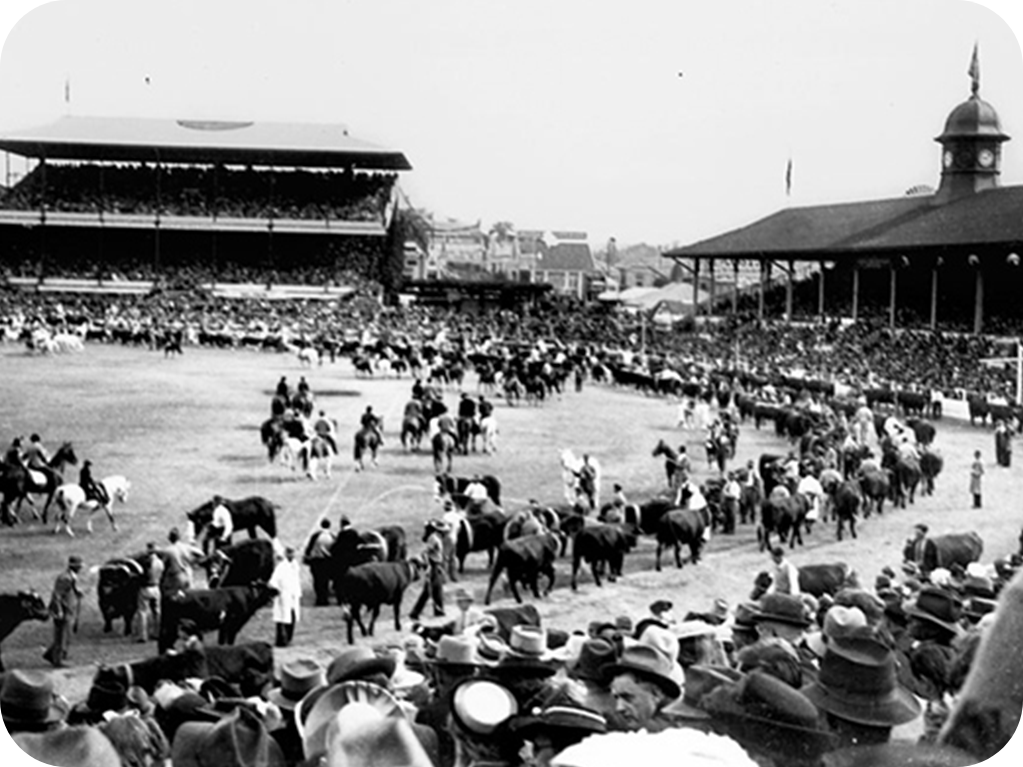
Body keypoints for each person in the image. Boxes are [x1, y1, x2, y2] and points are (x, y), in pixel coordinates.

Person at [604, 644, 682, 732]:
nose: (619, 707)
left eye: (628, 698)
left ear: (657, 693)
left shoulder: (671, 735)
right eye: (616, 698)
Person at [44, 554, 84, 667]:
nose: (80, 569)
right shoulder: (65, 578)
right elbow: (57, 595)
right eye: (79, 566)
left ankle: (52, 654)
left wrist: (76, 592)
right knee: (62, 636)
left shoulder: (71, 577)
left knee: (66, 635)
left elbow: (69, 590)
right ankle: (58, 660)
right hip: (64, 611)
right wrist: (59, 611)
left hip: (69, 610)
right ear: (74, 567)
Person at [410, 519, 447, 621]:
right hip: (433, 565)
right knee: (428, 590)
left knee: (437, 588)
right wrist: (428, 566)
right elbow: (426, 552)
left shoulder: (436, 538)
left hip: (437, 565)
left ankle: (439, 610)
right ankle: (415, 612)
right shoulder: (434, 539)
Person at [268, 546, 301, 647]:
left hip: (293, 595)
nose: (292, 555)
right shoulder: (281, 567)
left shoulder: (295, 565)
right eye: (289, 553)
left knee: (292, 618)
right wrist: (278, 591)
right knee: (282, 619)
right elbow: (272, 581)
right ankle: (281, 641)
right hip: (284, 596)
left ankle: (289, 639)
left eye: (293, 553)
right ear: (286, 554)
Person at [161, 526, 204, 598]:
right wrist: (195, 562)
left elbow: (163, 565)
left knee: (175, 597)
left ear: (170, 538)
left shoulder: (168, 550)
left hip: (176, 577)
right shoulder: (186, 547)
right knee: (190, 596)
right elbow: (200, 553)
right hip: (188, 574)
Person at [134, 541, 164, 643]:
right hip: (156, 587)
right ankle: (158, 632)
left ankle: (142, 635)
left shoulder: (145, 562)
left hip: (145, 588)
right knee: (157, 611)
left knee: (142, 612)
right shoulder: (160, 562)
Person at [303, 518, 336, 606]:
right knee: (325, 581)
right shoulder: (332, 536)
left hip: (316, 561)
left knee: (317, 581)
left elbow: (309, 547)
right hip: (327, 561)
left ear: (321, 525)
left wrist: (306, 557)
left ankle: (319, 598)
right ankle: (325, 598)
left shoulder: (316, 535)